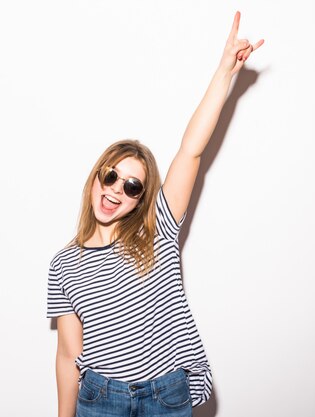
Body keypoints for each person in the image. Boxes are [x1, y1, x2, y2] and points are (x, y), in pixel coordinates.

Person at [47, 11, 263, 417]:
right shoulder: (63, 265)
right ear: (96, 177)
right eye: (111, 176)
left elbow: (192, 149)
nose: (116, 190)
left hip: (165, 396)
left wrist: (224, 74)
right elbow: (66, 356)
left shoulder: (158, 230)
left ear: (140, 199)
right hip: (100, 399)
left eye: (131, 186)